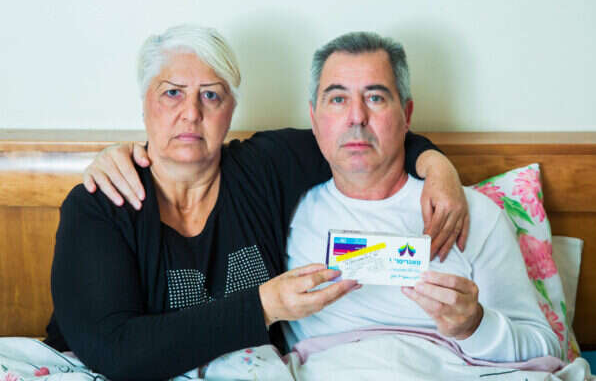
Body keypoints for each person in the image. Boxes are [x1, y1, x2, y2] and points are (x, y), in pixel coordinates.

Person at [47, 24, 468, 380]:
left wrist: (436, 166)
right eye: (172, 93)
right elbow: (114, 351)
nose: (191, 113)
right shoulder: (102, 203)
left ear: (231, 109)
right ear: (144, 105)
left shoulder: (265, 167)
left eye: (211, 95)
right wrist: (265, 306)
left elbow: (362, 139)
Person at [282, 31, 561, 362]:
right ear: (314, 119)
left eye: (375, 97)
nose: (357, 117)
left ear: (407, 115)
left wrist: (475, 326)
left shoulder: (469, 213)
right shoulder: (284, 215)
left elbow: (546, 348)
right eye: (338, 99)